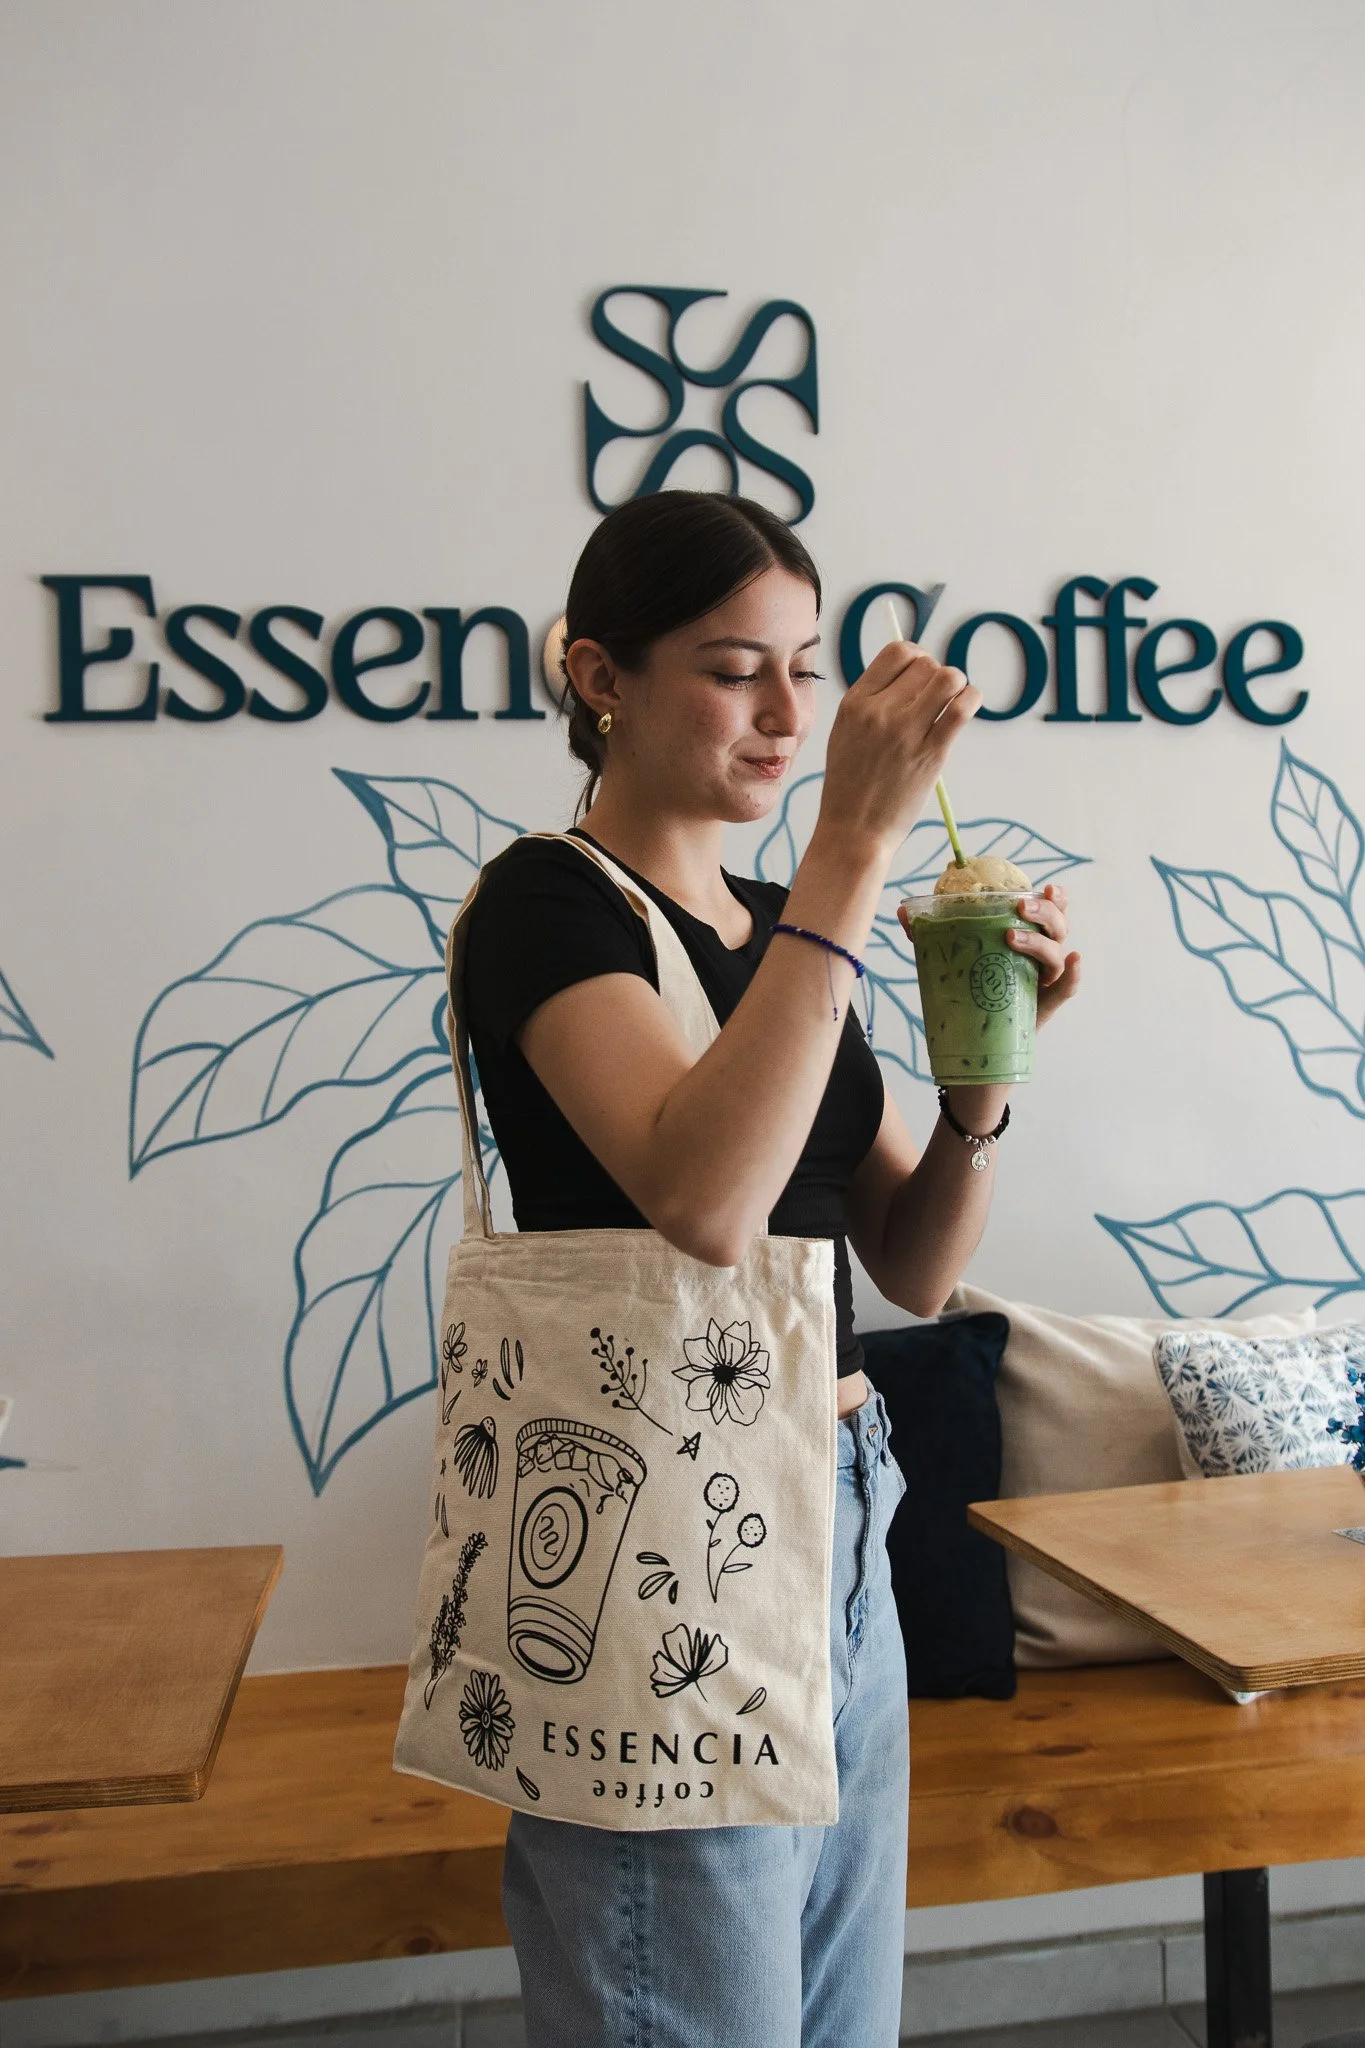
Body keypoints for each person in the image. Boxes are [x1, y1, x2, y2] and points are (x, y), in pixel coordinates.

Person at [462, 490, 1080, 2047]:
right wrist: (857, 844)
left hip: (845, 1507)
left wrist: (981, 1086)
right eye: (738, 669)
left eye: (805, 669)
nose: (790, 715)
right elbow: (703, 1197)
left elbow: (917, 1263)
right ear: (601, 676)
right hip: (656, 1528)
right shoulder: (549, 904)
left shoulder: (775, 927)